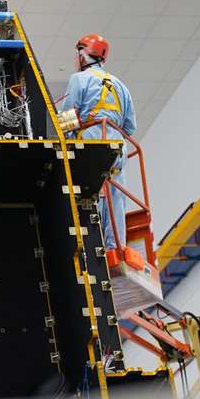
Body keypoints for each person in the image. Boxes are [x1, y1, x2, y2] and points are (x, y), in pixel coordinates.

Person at [60, 33, 136, 261]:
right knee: (115, 196)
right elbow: (130, 126)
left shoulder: (79, 79)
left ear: (83, 54)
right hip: (117, 147)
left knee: (86, 193)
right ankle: (114, 248)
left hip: (91, 141)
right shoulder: (121, 86)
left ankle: (86, 244)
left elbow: (67, 117)